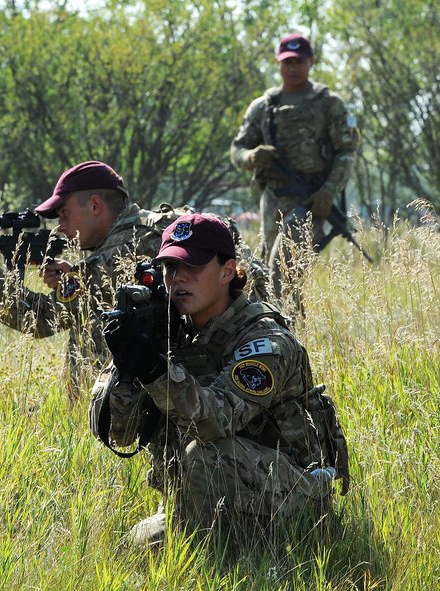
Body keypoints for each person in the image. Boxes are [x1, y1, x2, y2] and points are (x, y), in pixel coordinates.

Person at [92, 213, 349, 548]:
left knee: (206, 454)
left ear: (227, 271)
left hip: (292, 500)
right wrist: (128, 369)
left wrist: (154, 369)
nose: (178, 279)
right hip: (203, 499)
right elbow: (120, 435)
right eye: (170, 268)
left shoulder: (266, 340)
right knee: (133, 548)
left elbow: (216, 420)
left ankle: (225, 562)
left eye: (193, 267)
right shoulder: (175, 333)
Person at [0, 161, 188, 401]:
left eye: (65, 214)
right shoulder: (150, 230)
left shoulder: (110, 258)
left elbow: (38, 319)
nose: (60, 227)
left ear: (94, 205)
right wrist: (76, 278)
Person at [230, 33, 360, 302]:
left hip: (310, 201)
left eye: (298, 61)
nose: (292, 67)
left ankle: (289, 335)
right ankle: (274, 331)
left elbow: (347, 152)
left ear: (310, 61)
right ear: (278, 63)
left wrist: (329, 191)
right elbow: (237, 150)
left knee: (283, 270)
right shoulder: (264, 106)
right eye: (287, 61)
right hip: (273, 199)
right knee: (263, 275)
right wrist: (253, 156)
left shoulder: (329, 104)